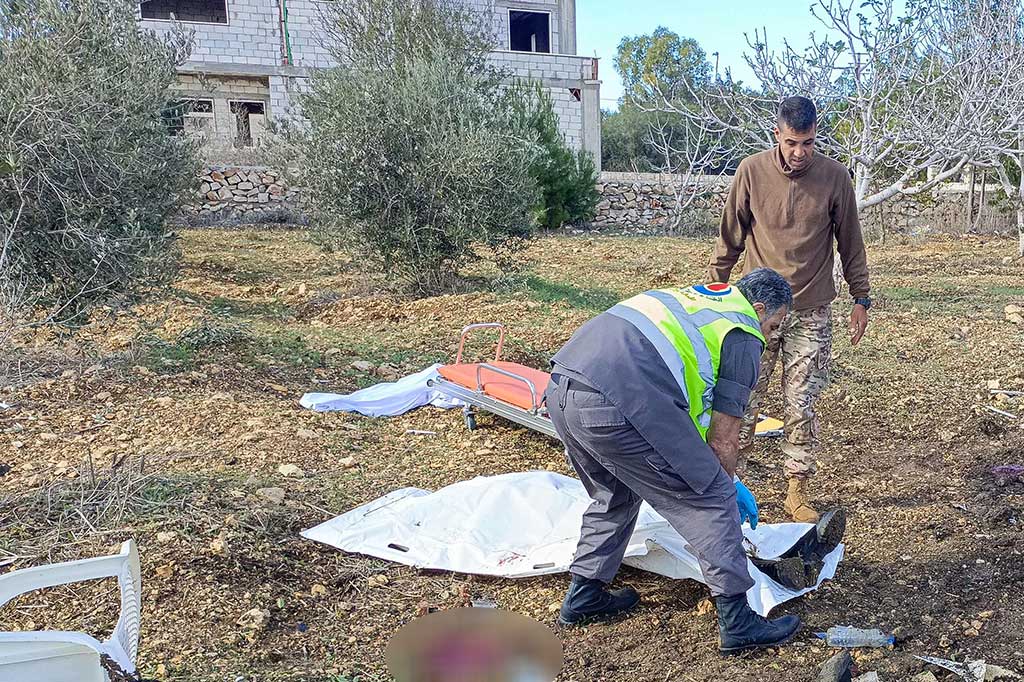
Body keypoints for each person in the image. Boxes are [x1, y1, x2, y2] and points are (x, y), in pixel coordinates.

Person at [544, 268, 800, 654]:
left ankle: (585, 595)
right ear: (759, 308)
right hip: (619, 401)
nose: (771, 336)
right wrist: (725, 487)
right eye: (775, 325)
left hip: (563, 389)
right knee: (711, 495)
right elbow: (724, 437)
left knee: (615, 493)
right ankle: (738, 620)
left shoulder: (697, 301)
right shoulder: (742, 330)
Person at [708, 95, 872, 523]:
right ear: (777, 135)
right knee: (740, 400)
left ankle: (795, 491)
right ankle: (726, 486)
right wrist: (713, 294)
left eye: (809, 143)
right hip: (755, 309)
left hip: (811, 308)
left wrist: (861, 297)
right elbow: (730, 239)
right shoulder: (751, 172)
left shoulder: (835, 178)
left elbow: (851, 241)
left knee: (802, 403)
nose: (800, 153)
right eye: (792, 143)